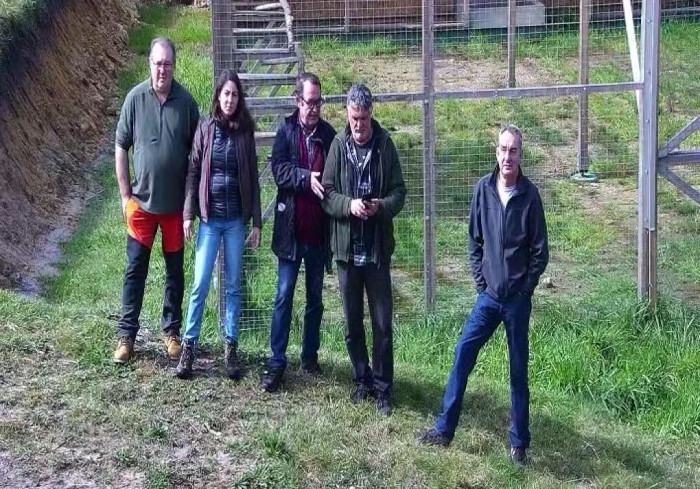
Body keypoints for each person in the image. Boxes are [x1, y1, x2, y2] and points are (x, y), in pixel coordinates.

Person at [417, 124, 549, 465]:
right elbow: (474, 241)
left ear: (521, 155)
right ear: (496, 152)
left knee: (518, 369)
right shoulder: (483, 190)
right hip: (489, 298)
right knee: (463, 354)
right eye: (503, 149)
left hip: (517, 301)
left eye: (514, 151)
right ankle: (444, 430)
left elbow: (540, 251)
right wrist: (481, 281)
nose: (508, 156)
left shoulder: (530, 195)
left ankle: (519, 443)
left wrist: (525, 287)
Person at [321, 83, 406, 415]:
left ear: (372, 114)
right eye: (354, 118)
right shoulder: (338, 146)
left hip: (376, 250)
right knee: (352, 320)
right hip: (346, 250)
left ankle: (384, 387)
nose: (359, 124)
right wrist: (350, 205)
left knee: (383, 323)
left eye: (365, 118)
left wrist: (380, 207)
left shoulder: (385, 146)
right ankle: (362, 379)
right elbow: (327, 193)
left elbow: (400, 192)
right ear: (347, 112)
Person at [113, 37, 199, 364]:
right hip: (142, 207)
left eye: (168, 64)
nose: (162, 70)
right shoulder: (134, 99)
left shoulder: (187, 103)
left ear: (174, 66)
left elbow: (198, 154)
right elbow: (121, 146)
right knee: (135, 270)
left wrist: (193, 204)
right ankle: (126, 337)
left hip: (176, 209)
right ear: (149, 63)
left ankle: (172, 333)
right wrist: (124, 196)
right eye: (157, 63)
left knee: (175, 272)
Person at [175, 70, 262, 380]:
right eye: (225, 94)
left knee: (233, 285)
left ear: (239, 100)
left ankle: (231, 347)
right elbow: (193, 171)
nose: (229, 99)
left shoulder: (245, 131)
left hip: (236, 221)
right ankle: (188, 347)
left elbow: (253, 175)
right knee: (199, 284)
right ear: (218, 96)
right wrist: (188, 213)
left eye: (234, 95)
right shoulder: (206, 127)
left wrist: (257, 222)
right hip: (210, 221)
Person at [260, 73, 337, 392]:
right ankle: (277, 360)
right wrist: (306, 178)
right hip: (291, 233)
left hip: (318, 235)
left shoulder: (330, 135)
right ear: (297, 100)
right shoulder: (286, 131)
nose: (313, 108)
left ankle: (309, 356)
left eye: (318, 102)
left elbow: (335, 178)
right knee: (283, 297)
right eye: (308, 102)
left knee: (315, 300)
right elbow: (279, 171)